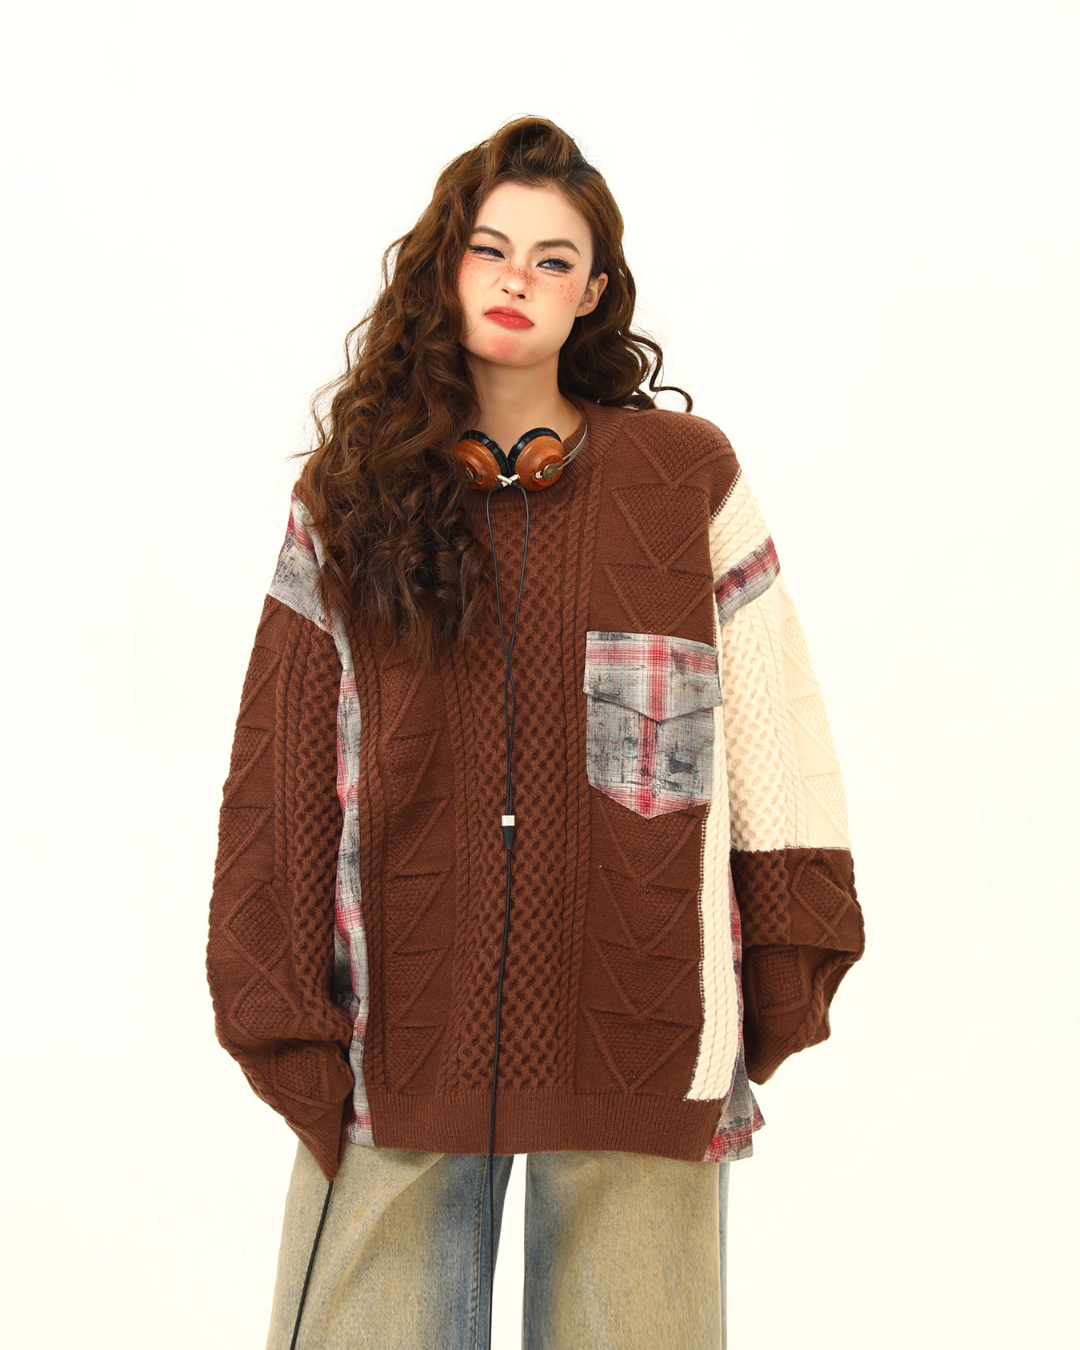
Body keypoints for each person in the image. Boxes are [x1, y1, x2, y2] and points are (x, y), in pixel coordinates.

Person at [205, 115, 866, 1350]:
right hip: (398, 1030)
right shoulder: (347, 498)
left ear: (593, 292)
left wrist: (787, 950)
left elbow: (776, 723)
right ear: (444, 267)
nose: (518, 278)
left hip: (642, 1018)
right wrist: (276, 994)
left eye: (554, 259)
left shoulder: (684, 478)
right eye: (490, 248)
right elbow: (281, 763)